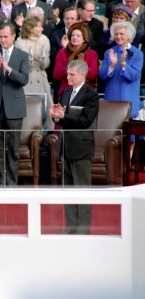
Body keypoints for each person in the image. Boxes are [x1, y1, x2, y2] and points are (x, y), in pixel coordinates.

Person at [49, 59, 100, 235]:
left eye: (71, 74)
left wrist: (63, 117)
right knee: (68, 191)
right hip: (66, 146)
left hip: (81, 148)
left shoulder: (91, 94)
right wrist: (56, 116)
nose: (67, 77)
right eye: (68, 73)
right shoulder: (65, 92)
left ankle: (83, 230)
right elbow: (61, 117)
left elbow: (86, 121)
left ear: (82, 75)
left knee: (82, 191)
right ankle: (70, 227)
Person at [0, 22, 29, 186]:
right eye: (0, 37)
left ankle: (12, 184)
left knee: (13, 149)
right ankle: (0, 184)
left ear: (14, 37)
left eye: (6, 37)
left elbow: (23, 80)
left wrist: (8, 68)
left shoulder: (22, 55)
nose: (2, 40)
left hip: (14, 109)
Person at [99, 21, 143, 120]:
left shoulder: (137, 54)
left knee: (130, 133)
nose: (118, 36)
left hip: (129, 99)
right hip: (112, 99)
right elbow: (102, 75)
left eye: (121, 34)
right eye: (116, 34)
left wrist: (123, 64)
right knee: (111, 133)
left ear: (129, 36)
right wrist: (112, 65)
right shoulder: (109, 52)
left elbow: (134, 76)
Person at [15, 16, 53, 129]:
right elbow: (18, 65)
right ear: (31, 28)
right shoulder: (20, 41)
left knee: (44, 111)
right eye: (39, 26)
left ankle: (45, 136)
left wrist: (42, 58)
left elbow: (45, 65)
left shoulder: (44, 40)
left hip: (40, 80)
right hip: (26, 80)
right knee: (27, 110)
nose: (42, 29)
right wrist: (29, 60)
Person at [52, 22, 98, 99]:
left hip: (85, 93)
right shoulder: (62, 52)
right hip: (66, 92)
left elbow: (93, 75)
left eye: (78, 36)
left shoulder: (91, 54)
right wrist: (70, 65)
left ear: (84, 39)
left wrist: (78, 69)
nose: (74, 37)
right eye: (73, 35)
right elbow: (56, 74)